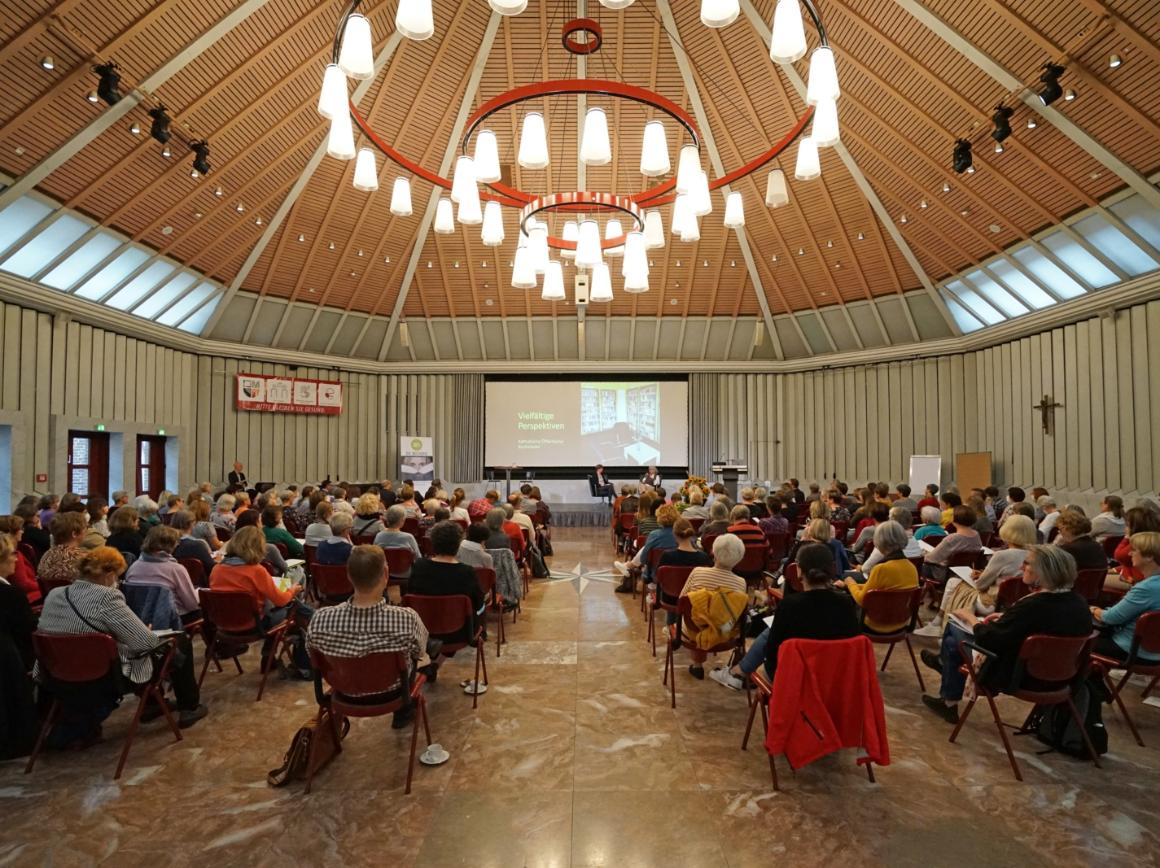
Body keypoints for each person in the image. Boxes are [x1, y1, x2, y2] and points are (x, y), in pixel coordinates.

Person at [38, 546, 208, 745]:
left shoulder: (54, 594)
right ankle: (189, 705)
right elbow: (145, 643)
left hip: (57, 671)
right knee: (177, 641)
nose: (118, 582)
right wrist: (145, 630)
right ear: (110, 574)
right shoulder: (107, 597)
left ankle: (153, 703)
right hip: (104, 676)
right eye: (118, 577)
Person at [920, 545, 1091, 724]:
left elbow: (990, 640)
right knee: (953, 643)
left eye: (1027, 563)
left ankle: (946, 683)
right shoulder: (1079, 603)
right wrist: (1006, 618)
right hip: (1061, 679)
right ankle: (946, 684)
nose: (1021, 568)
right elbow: (1044, 625)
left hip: (1016, 676)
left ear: (1043, 572)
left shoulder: (1032, 606)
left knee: (954, 628)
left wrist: (971, 619)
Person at [306, 546, 431, 729]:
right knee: (421, 660)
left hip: (343, 690)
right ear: (386, 574)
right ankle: (404, 713)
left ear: (348, 575)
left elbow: (313, 657)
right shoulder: (406, 618)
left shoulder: (320, 619)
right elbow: (420, 650)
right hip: (394, 692)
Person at [710, 543, 861, 690]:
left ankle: (737, 673)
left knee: (770, 633)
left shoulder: (790, 605)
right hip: (835, 679)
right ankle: (737, 672)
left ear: (799, 570)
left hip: (791, 677)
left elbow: (772, 651)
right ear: (832, 568)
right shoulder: (847, 603)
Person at [210, 526, 313, 677]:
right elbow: (280, 600)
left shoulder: (217, 570)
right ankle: (303, 667)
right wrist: (293, 590)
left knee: (292, 611)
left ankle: (271, 656)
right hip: (254, 624)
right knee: (295, 611)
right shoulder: (256, 570)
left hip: (224, 624)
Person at [917, 514, 1037, 638]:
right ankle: (938, 623)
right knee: (954, 582)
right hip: (1017, 602)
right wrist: (983, 573)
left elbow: (981, 584)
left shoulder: (1003, 555)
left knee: (953, 582)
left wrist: (979, 576)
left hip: (992, 603)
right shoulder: (1035, 555)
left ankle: (939, 624)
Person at [674, 534, 749, 680]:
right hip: (723, 634)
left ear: (713, 553)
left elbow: (681, 602)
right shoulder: (741, 583)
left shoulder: (697, 572)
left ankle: (697, 666)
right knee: (711, 619)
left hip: (692, 631)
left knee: (697, 618)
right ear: (739, 558)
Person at [407, 521, 486, 647]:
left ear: (432, 542)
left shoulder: (419, 566)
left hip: (423, 631)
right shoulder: (466, 572)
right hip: (461, 633)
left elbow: (410, 595)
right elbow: (479, 604)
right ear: (458, 544)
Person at [1090, 532, 1160, 663]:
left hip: (1132, 651)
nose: (1129, 554)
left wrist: (1092, 609)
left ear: (1149, 556)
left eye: (1134, 550)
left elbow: (1110, 618)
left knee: (1076, 638)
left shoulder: (1147, 588)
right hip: (1154, 653)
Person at [0, 533, 38, 757]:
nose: (16, 559)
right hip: (8, 658)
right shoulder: (10, 594)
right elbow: (26, 632)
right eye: (12, 554)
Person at [842, 521, 919, 632]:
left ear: (880, 542)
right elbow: (875, 591)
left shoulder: (881, 569)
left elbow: (862, 599)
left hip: (875, 624)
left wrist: (850, 582)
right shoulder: (911, 567)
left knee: (843, 603)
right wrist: (852, 585)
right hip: (901, 622)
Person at [123, 525, 201, 623]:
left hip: (140, 620)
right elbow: (192, 604)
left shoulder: (133, 567)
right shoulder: (176, 569)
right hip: (171, 620)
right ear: (172, 545)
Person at [613, 503, 680, 590]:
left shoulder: (654, 534)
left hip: (655, 574)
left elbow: (644, 557)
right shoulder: (681, 535)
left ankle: (629, 565)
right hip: (677, 572)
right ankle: (629, 565)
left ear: (659, 518)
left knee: (646, 549)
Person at [855, 507, 923, 576]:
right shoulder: (915, 541)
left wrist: (860, 568)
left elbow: (866, 568)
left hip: (885, 581)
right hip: (909, 580)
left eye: (889, 518)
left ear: (892, 521)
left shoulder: (886, 543)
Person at [922, 505, 983, 580]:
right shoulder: (976, 535)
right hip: (966, 572)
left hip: (944, 573)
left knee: (921, 564)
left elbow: (931, 559)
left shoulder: (952, 539)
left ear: (954, 519)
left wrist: (925, 554)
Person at [1107, 506, 1160, 592]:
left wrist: (1127, 537)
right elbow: (1128, 564)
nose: (1130, 553)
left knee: (1097, 581)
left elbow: (1119, 556)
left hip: (1135, 581)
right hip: (1130, 576)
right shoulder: (1151, 538)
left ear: (1135, 526)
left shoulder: (1141, 543)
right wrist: (1114, 569)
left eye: (1127, 525)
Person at [37, 512, 90, 585]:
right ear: (74, 534)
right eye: (86, 528)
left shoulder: (46, 556)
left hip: (52, 596)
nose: (87, 531)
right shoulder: (84, 558)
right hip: (80, 595)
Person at [373, 505, 422, 576]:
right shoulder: (408, 537)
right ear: (402, 521)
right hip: (407, 573)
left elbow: (375, 556)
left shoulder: (379, 536)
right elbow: (418, 558)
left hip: (385, 573)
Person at [171, 510, 216, 579]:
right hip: (199, 583)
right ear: (192, 524)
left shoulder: (164, 542)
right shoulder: (197, 545)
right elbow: (211, 568)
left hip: (172, 579)